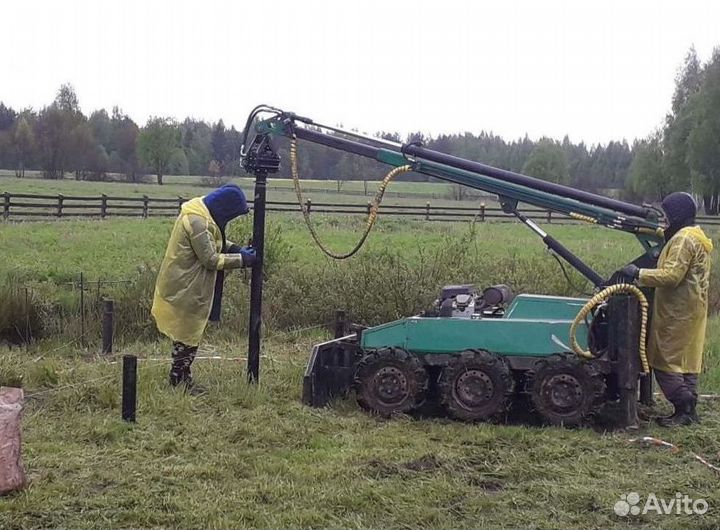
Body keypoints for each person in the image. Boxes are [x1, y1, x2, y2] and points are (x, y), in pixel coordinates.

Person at [151, 183, 256, 393]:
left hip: (188, 285)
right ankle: (178, 379)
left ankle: (181, 376)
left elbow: (213, 242)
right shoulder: (198, 221)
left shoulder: (203, 213)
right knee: (187, 333)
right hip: (185, 286)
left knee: (188, 334)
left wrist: (235, 249)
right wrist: (242, 259)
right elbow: (210, 258)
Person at [621, 192, 713, 427]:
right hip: (692, 310)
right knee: (687, 361)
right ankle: (689, 410)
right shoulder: (694, 235)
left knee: (664, 362)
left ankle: (684, 407)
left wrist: (638, 273)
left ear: (678, 215)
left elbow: (672, 275)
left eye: (668, 215)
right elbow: (668, 237)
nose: (665, 220)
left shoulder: (684, 240)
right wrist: (643, 228)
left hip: (677, 312)